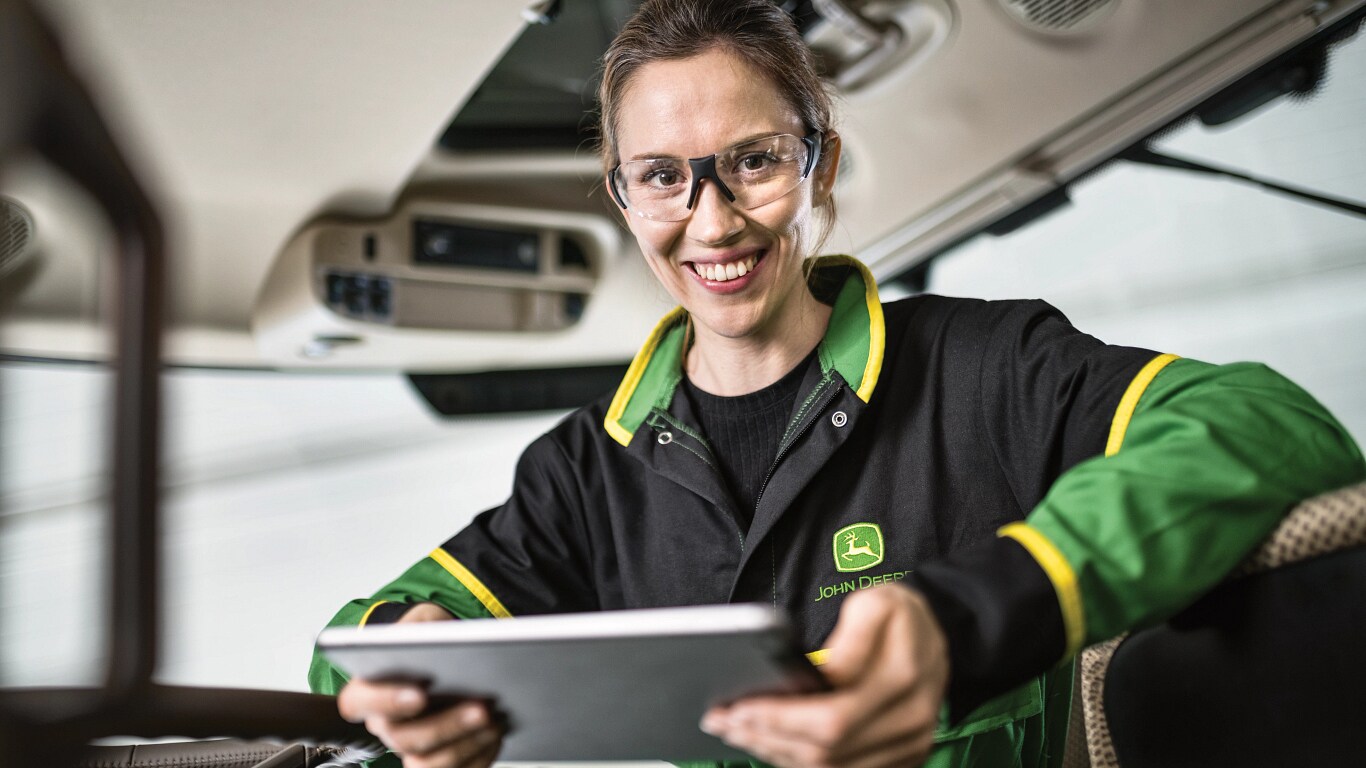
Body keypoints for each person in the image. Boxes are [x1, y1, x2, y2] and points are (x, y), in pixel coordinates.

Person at [308, 1, 1366, 766]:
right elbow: (359, 636)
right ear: (623, 198)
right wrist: (401, 663)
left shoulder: (983, 369)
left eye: (754, 161)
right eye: (664, 177)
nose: (711, 221)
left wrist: (982, 607)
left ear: (818, 164)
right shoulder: (586, 472)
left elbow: (1271, 426)